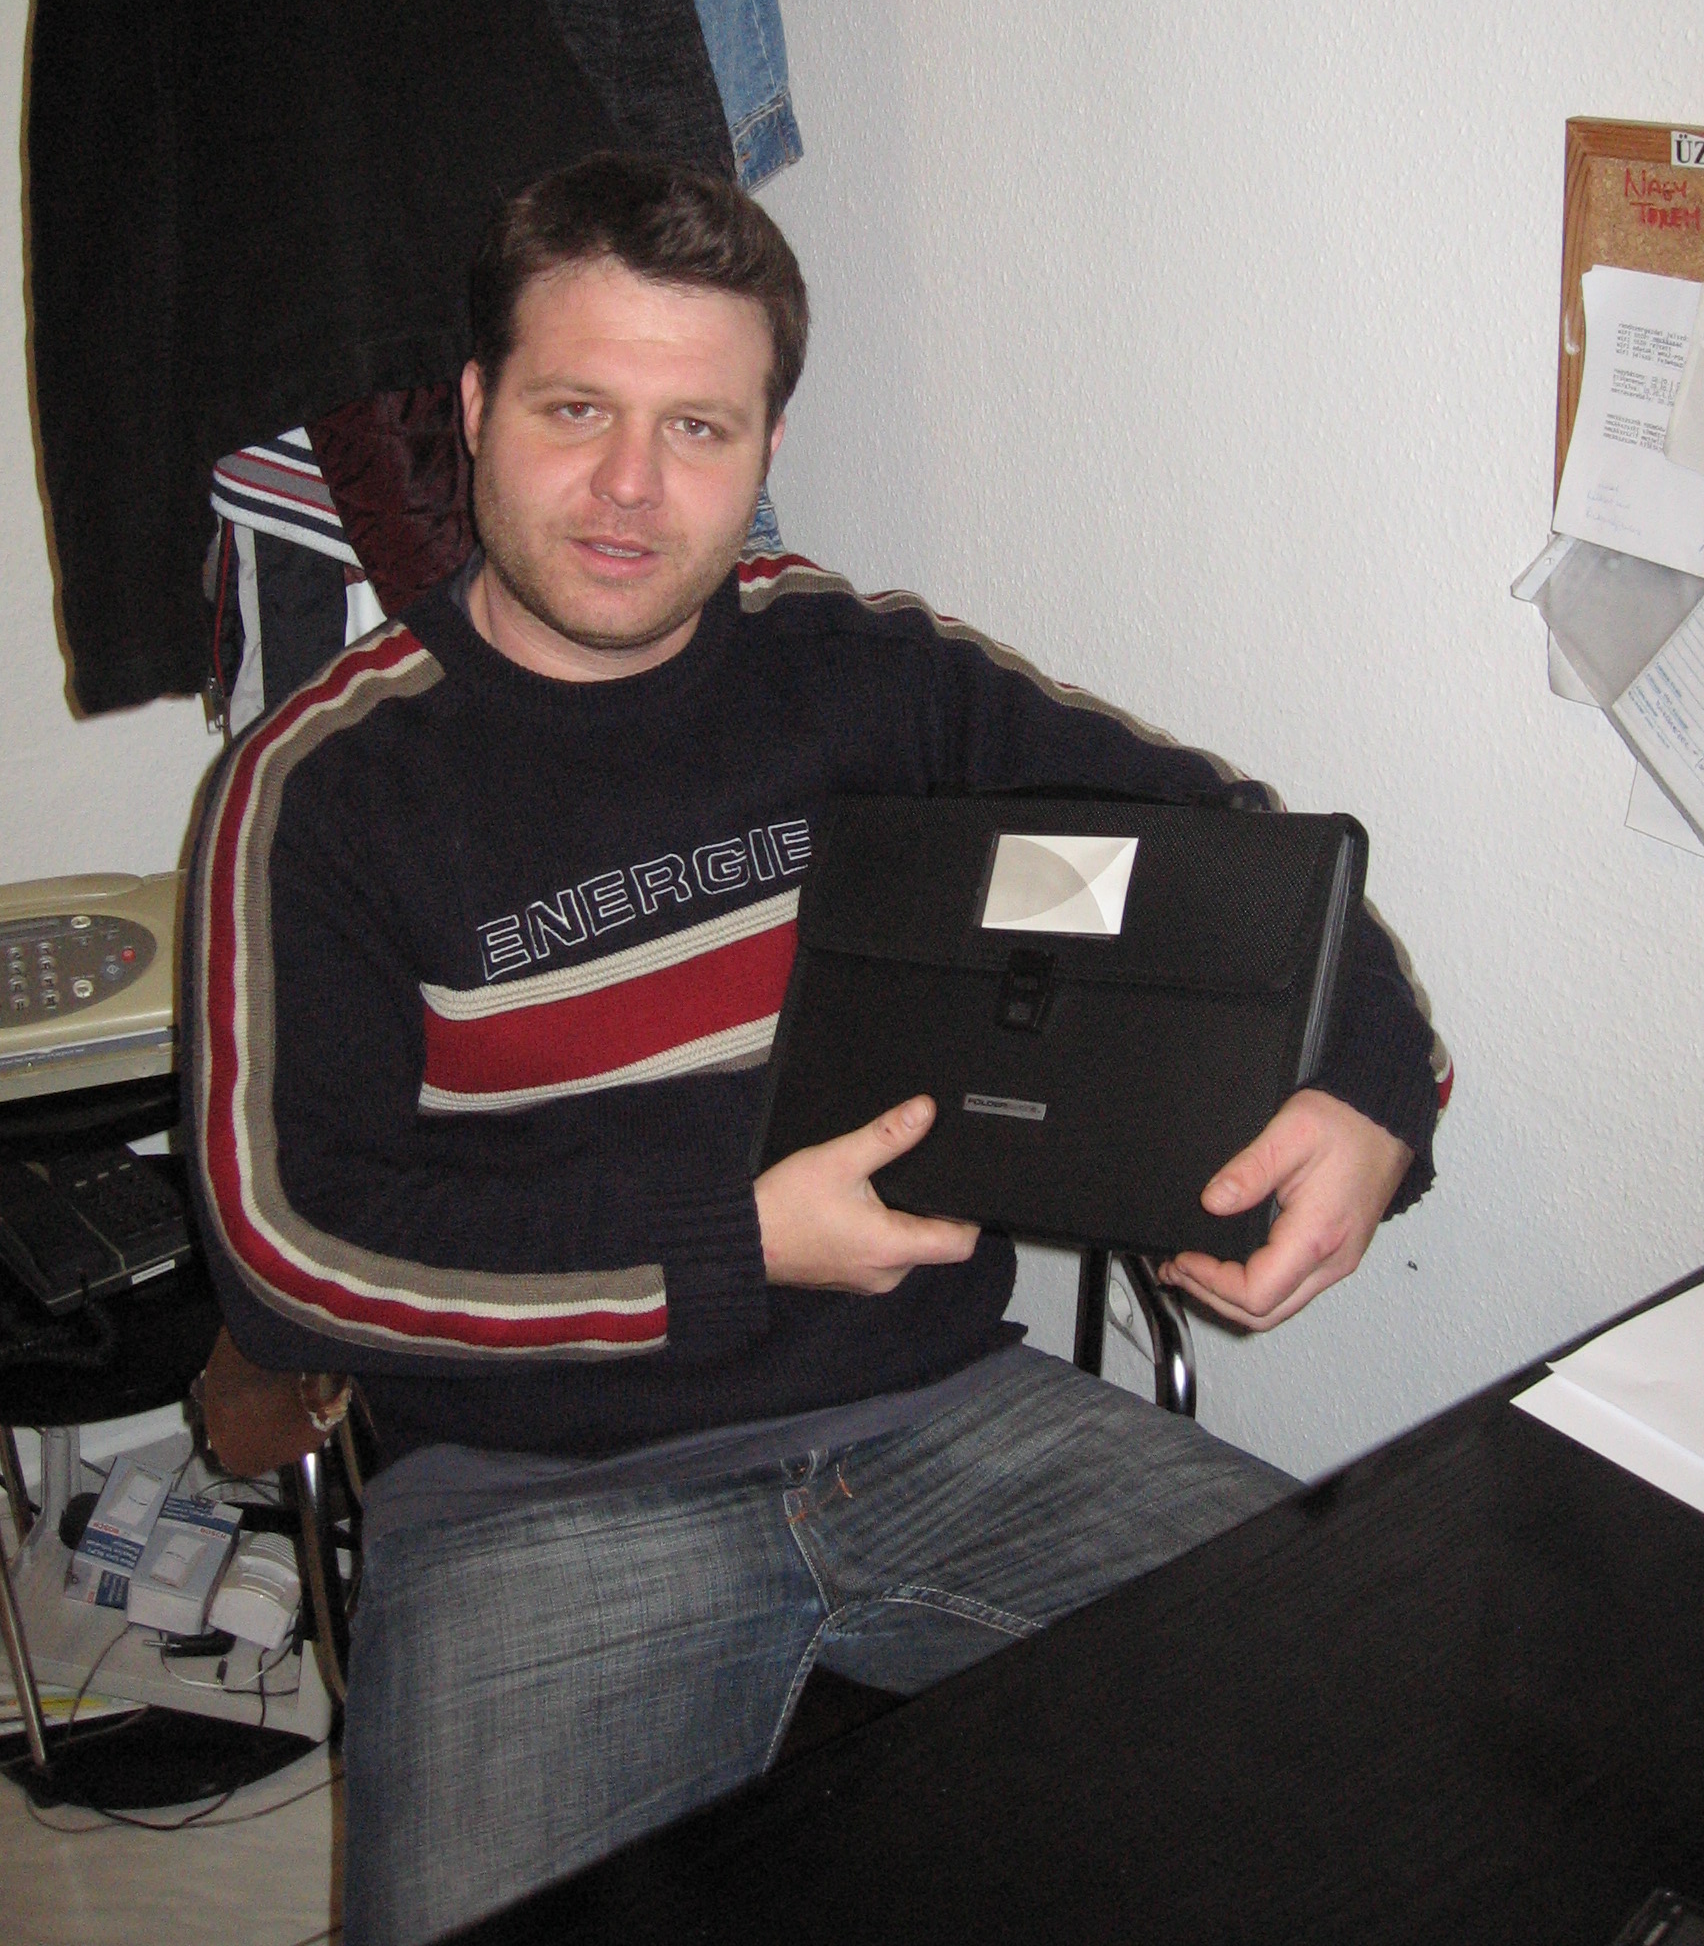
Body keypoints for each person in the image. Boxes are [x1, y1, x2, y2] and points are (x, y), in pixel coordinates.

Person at [185, 152, 1444, 1945]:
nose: (632, 486)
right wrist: (737, 1243)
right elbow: (290, 1250)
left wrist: (1376, 1096)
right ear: (472, 413)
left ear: (768, 443)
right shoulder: (322, 787)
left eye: (699, 427)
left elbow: (1235, 861)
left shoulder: (871, 683)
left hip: (949, 1422)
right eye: (574, 410)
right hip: (536, 1508)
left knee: (1427, 1724)